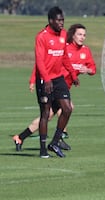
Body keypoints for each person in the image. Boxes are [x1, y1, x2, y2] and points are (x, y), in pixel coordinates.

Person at [13, 23, 96, 152]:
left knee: (48, 116)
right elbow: (41, 62)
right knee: (66, 108)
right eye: (79, 34)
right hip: (53, 85)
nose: (82, 37)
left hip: (64, 88)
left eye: (84, 35)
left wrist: (87, 70)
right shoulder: (64, 47)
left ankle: (20, 137)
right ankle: (57, 140)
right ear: (72, 35)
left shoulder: (86, 51)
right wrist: (32, 80)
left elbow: (93, 69)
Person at [29, 6, 79, 158]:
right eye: (58, 20)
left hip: (58, 78)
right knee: (45, 113)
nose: (61, 23)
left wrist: (72, 73)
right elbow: (40, 61)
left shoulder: (63, 35)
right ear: (51, 21)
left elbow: (64, 57)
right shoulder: (41, 37)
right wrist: (46, 79)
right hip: (44, 79)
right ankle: (43, 149)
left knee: (67, 108)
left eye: (63, 20)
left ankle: (55, 142)